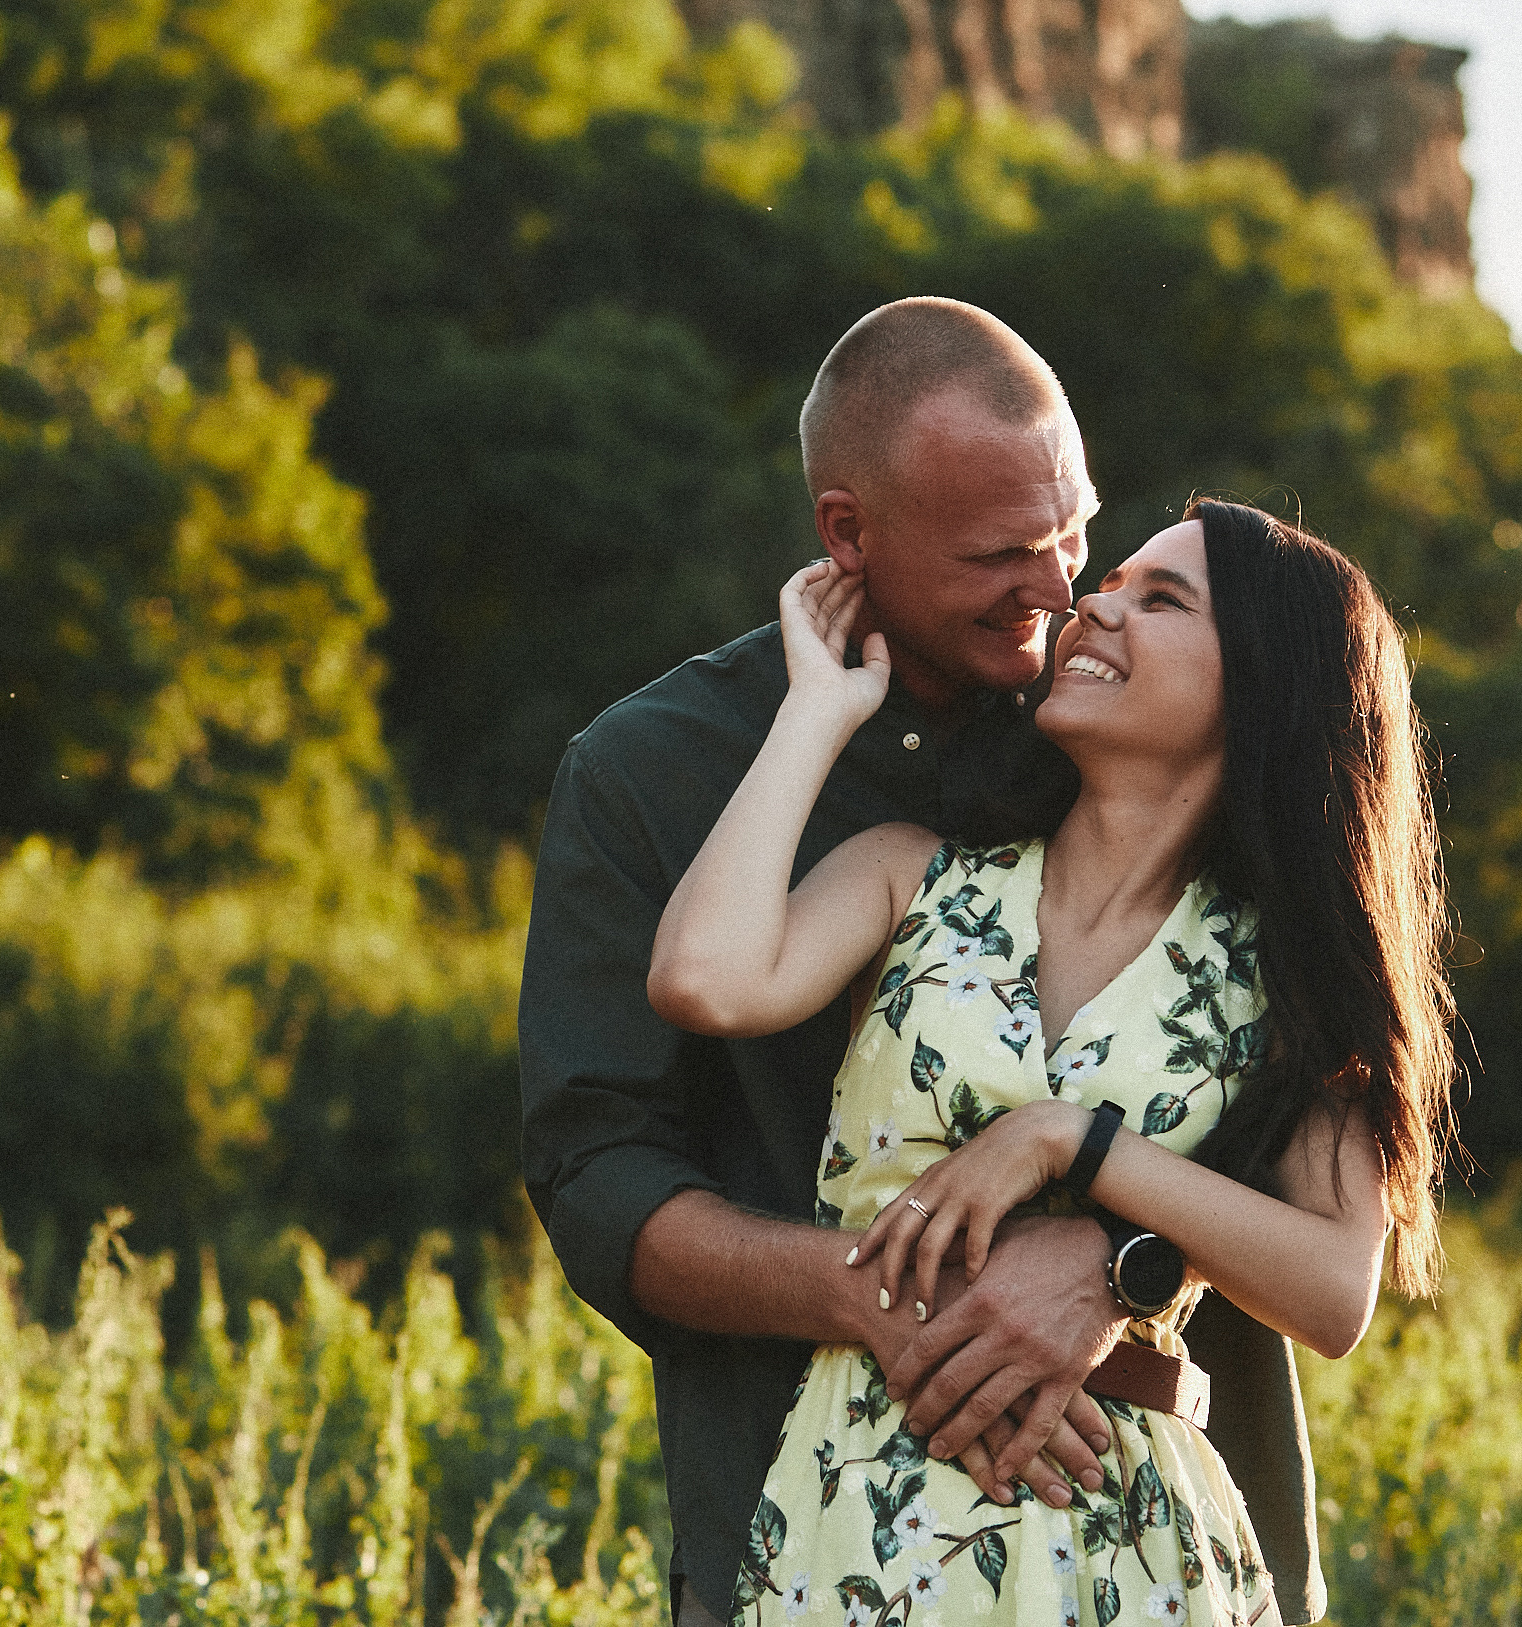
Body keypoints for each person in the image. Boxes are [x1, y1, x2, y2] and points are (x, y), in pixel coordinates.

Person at [517, 299, 1328, 1627]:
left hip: (1165, 1534)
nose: (1066, 587)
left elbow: (1289, 1096)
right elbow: (600, 1175)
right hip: (823, 1531)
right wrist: (902, 1305)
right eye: (1002, 552)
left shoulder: (1152, 714)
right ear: (849, 533)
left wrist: (1122, 1261)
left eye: (1078, 531)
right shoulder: (647, 774)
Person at [646, 502, 1457, 1626]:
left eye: (1160, 599)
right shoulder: (909, 878)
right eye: (1110, 581)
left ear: (1266, 686)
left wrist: (1069, 1142)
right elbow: (703, 978)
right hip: (864, 1513)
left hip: (1135, 1540)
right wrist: (815, 714)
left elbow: (1332, 1294)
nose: (1093, 608)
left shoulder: (1291, 977)